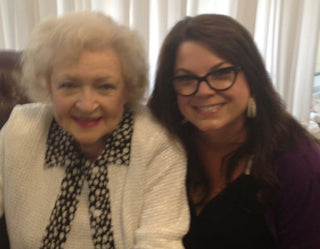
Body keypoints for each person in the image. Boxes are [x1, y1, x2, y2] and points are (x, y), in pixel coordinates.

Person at [0, 11, 189, 249]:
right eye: (69, 85)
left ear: (127, 89)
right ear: (48, 85)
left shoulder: (157, 142)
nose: (87, 105)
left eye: (105, 86)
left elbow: (161, 242)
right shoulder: (21, 129)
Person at [148, 14, 320, 249]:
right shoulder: (162, 146)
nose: (204, 91)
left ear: (252, 77)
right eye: (186, 78)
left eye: (221, 74)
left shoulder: (297, 162)